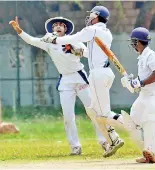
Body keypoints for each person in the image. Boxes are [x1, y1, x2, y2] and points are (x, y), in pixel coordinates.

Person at [9, 16, 111, 156]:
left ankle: (105, 142)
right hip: (65, 81)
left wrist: (78, 51)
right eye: (55, 25)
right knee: (68, 116)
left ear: (65, 29)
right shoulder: (49, 42)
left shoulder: (74, 40)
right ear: (52, 29)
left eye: (61, 25)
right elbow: (31, 40)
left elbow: (90, 54)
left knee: (93, 112)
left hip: (80, 77)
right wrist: (19, 31)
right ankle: (75, 147)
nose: (58, 26)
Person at [40, 6, 124, 157]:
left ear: (97, 16)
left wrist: (54, 39)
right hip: (106, 73)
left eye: (92, 14)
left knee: (101, 113)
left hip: (97, 74)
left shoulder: (91, 30)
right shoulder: (107, 32)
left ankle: (131, 126)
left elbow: (72, 38)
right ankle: (113, 139)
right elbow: (85, 51)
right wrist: (75, 50)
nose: (89, 17)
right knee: (94, 111)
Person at [121, 27, 155, 163]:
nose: (133, 45)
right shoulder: (141, 57)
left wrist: (140, 82)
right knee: (132, 120)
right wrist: (131, 83)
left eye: (133, 42)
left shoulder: (150, 55)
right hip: (145, 94)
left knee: (150, 118)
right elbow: (141, 81)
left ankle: (153, 152)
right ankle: (146, 152)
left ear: (138, 42)